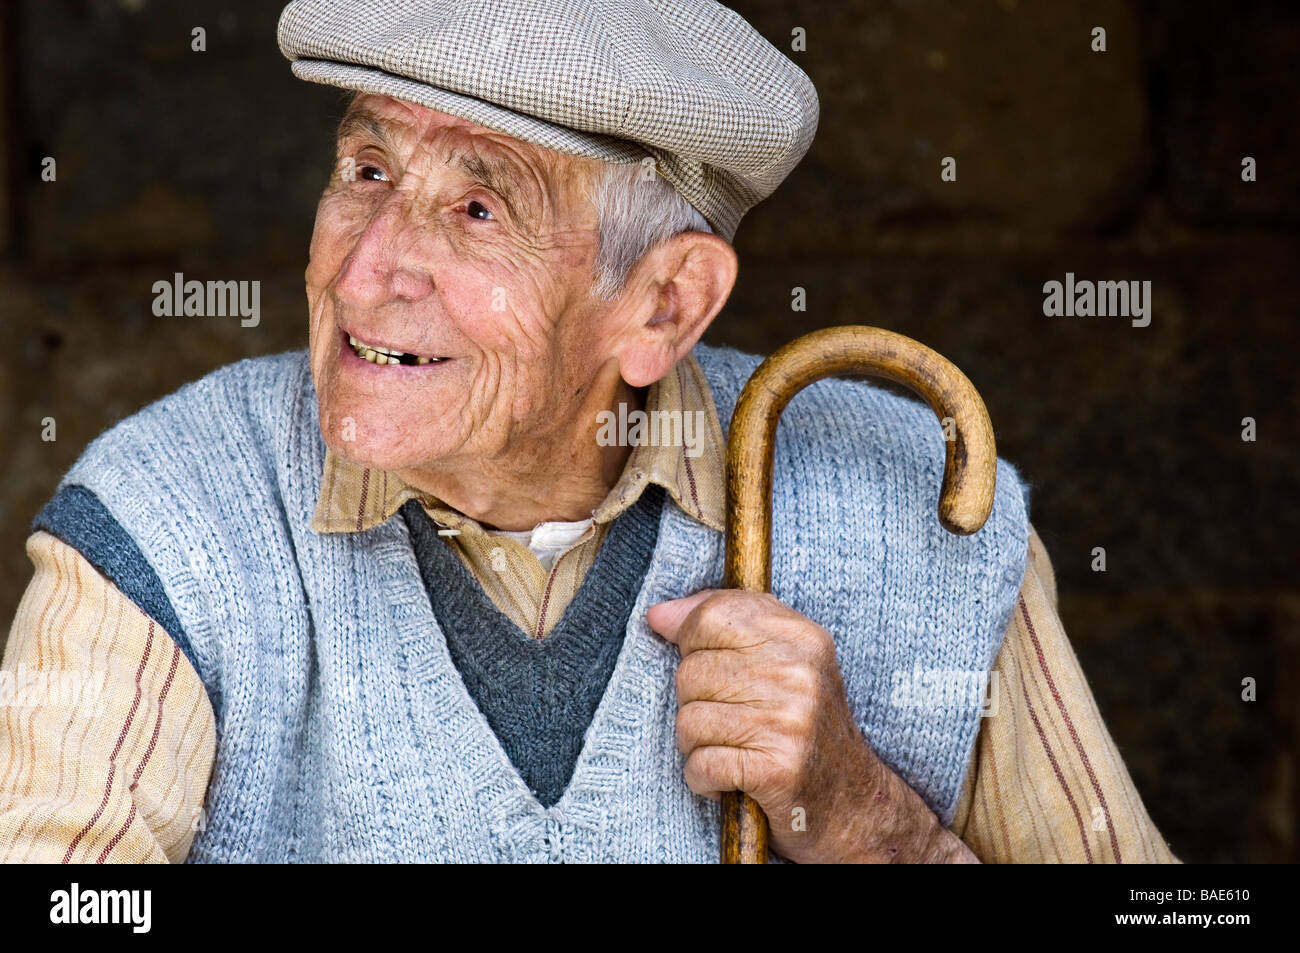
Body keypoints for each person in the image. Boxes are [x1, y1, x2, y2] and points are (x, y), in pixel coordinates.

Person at [0, 0, 1175, 863]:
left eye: (476, 207)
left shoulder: (915, 504)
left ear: (664, 302)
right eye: (364, 168)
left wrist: (868, 819)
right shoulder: (168, 512)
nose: (363, 273)